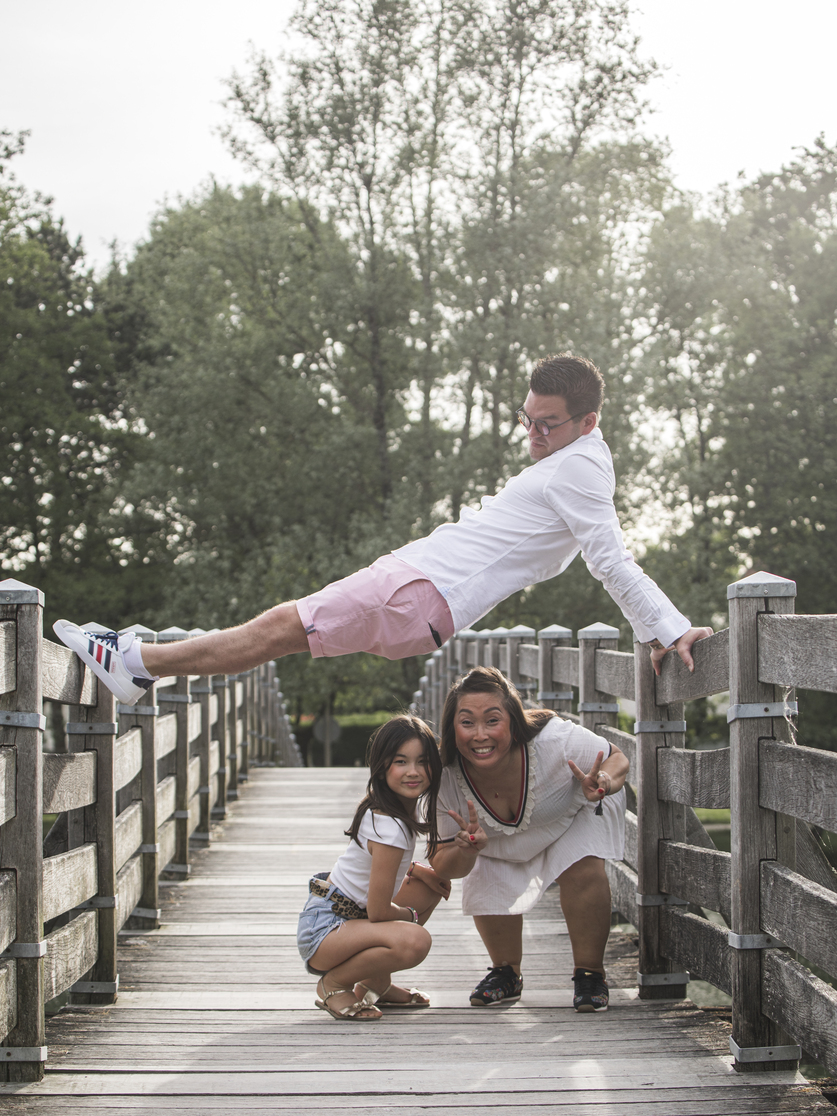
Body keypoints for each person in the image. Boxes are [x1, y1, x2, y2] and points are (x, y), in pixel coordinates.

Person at [52, 353, 711, 702]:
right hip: (418, 593)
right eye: (527, 419)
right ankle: (140, 662)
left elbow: (611, 561)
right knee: (278, 634)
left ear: (587, 421)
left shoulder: (578, 472)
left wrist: (671, 629)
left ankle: (134, 663)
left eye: (549, 424)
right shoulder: (578, 462)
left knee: (277, 629)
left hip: (418, 592)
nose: (533, 435)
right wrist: (652, 630)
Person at [429, 666, 628, 1013]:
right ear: (451, 726)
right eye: (467, 722)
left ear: (513, 719)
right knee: (485, 867)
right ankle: (506, 973)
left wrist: (604, 784)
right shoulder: (443, 778)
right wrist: (465, 849)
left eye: (492, 720)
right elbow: (443, 865)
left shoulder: (556, 742)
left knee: (581, 866)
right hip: (495, 836)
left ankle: (590, 974)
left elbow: (617, 757)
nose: (480, 735)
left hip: (568, 813)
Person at [297, 714, 451, 1020]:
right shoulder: (389, 826)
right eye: (401, 762)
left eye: (422, 762)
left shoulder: (388, 810)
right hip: (326, 930)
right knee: (415, 941)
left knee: (429, 885)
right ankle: (334, 984)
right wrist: (411, 918)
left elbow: (373, 873)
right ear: (382, 768)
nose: (413, 772)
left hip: (344, 916)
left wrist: (415, 870)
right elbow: (380, 912)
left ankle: (375, 982)